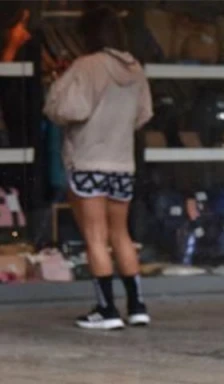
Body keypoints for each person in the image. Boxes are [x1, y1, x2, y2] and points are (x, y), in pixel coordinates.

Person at [44, 5, 152, 330]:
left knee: (95, 236)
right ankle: (136, 305)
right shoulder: (136, 70)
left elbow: (65, 109)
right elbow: (144, 114)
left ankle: (106, 309)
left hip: (89, 160)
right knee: (121, 234)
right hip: (122, 162)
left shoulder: (87, 65)